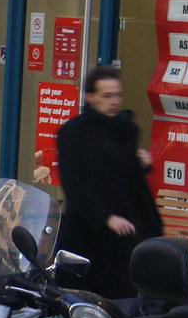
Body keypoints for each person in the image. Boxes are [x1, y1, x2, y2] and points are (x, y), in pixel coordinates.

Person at [55, 65, 162, 299]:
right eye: (106, 96)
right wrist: (105, 217)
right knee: (84, 294)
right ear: (90, 97)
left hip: (123, 230)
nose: (113, 101)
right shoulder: (73, 132)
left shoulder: (126, 129)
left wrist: (140, 163)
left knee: (122, 293)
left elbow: (121, 175)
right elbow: (73, 183)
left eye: (117, 95)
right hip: (87, 229)